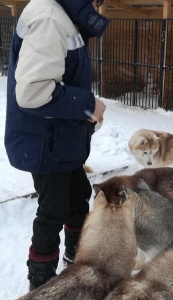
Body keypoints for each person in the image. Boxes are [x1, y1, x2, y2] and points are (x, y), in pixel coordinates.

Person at [4, 0, 109, 291]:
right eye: (100, 3)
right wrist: (88, 105)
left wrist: (85, 116)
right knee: (53, 210)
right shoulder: (50, 18)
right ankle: (43, 286)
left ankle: (75, 264)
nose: (101, 10)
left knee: (78, 198)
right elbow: (32, 91)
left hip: (60, 140)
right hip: (45, 143)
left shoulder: (63, 16)